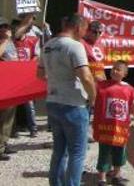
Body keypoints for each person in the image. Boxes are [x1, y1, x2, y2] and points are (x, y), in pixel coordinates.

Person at [37, 14, 97, 186]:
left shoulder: (47, 45)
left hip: (53, 101)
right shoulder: (75, 46)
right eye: (85, 30)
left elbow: (40, 74)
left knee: (59, 151)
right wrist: (93, 97)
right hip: (73, 104)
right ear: (78, 27)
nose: (85, 34)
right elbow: (85, 76)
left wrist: (57, 78)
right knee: (77, 153)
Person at [93, 60, 134, 186]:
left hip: (121, 128)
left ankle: (116, 174)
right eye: (113, 68)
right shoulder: (102, 85)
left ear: (125, 74)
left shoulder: (128, 89)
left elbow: (133, 105)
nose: (114, 71)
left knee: (119, 152)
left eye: (118, 69)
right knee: (104, 152)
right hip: (105, 128)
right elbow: (91, 85)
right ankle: (102, 178)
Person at [13, 13, 48, 138]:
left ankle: (33, 128)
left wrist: (28, 67)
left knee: (29, 103)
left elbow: (36, 56)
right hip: (14, 74)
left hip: (26, 75)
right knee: (13, 105)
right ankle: (14, 129)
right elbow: (16, 35)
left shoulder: (33, 40)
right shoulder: (14, 40)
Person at [0, 18, 18, 161]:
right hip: (2, 84)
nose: (6, 29)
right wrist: (5, 40)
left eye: (7, 27)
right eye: (3, 27)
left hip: (12, 83)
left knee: (8, 116)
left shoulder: (11, 41)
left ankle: (4, 142)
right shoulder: (4, 41)